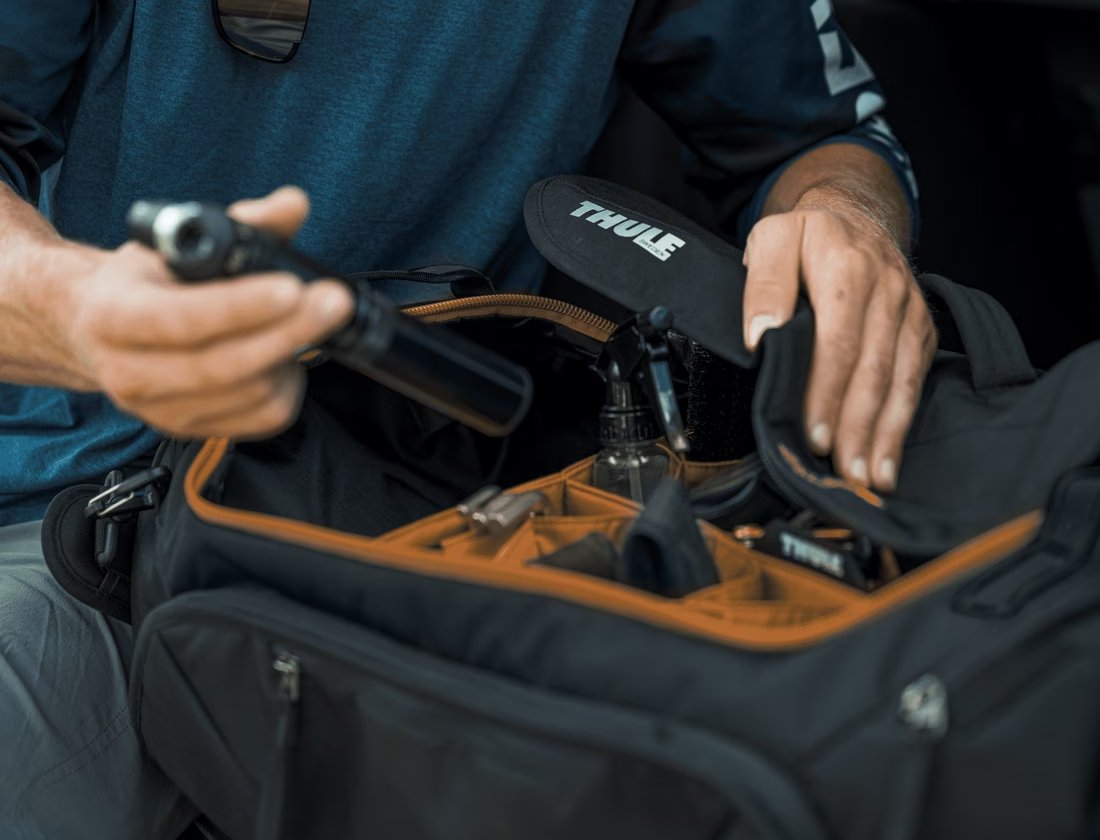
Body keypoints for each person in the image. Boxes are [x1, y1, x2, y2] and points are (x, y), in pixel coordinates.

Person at [0, 0, 934, 835]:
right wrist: (76, 312)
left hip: (461, 518)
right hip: (91, 517)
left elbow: (815, 138)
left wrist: (846, 215)